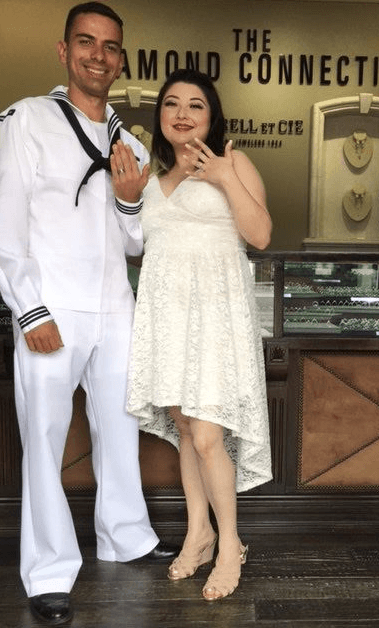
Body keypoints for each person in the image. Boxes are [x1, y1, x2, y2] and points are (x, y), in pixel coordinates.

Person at [0, 2, 178, 626]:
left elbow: (136, 244)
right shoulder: (25, 121)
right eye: (87, 42)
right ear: (64, 50)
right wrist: (30, 309)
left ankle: (126, 536)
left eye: (111, 46)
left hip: (114, 306)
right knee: (43, 438)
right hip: (53, 306)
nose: (99, 55)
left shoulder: (131, 143)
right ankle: (48, 572)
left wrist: (129, 201)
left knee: (119, 426)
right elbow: (4, 229)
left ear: (121, 60)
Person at [127, 68, 273, 601]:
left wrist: (224, 179)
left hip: (216, 317)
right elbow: (137, 248)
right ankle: (199, 534)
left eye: (195, 105)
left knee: (209, 436)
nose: (182, 114)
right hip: (168, 318)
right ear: (160, 115)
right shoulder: (149, 178)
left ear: (213, 118)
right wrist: (125, 198)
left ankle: (230, 543)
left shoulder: (234, 161)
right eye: (172, 103)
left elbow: (260, 235)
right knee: (187, 431)